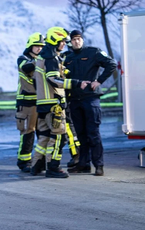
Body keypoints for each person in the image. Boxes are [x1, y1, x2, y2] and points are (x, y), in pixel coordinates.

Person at [30, 26, 90, 178]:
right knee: (58, 137)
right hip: (54, 105)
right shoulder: (51, 59)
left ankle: (36, 165)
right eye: (61, 41)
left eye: (64, 41)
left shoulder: (41, 58)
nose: (64, 44)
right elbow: (53, 80)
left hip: (43, 104)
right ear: (53, 41)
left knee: (44, 136)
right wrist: (75, 83)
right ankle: (53, 167)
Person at [64, 30, 117, 176]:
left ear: (82, 40)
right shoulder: (67, 58)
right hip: (74, 100)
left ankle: (98, 165)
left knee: (93, 134)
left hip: (90, 99)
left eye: (79, 38)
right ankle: (83, 165)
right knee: (80, 135)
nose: (77, 41)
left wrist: (99, 81)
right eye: (74, 39)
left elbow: (111, 64)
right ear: (70, 42)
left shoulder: (93, 52)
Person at [15, 32, 45, 172]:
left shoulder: (42, 60)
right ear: (30, 46)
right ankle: (24, 161)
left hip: (40, 102)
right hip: (26, 103)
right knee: (28, 132)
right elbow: (26, 67)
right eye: (36, 46)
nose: (39, 48)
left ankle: (38, 161)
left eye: (41, 46)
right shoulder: (23, 59)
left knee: (42, 132)